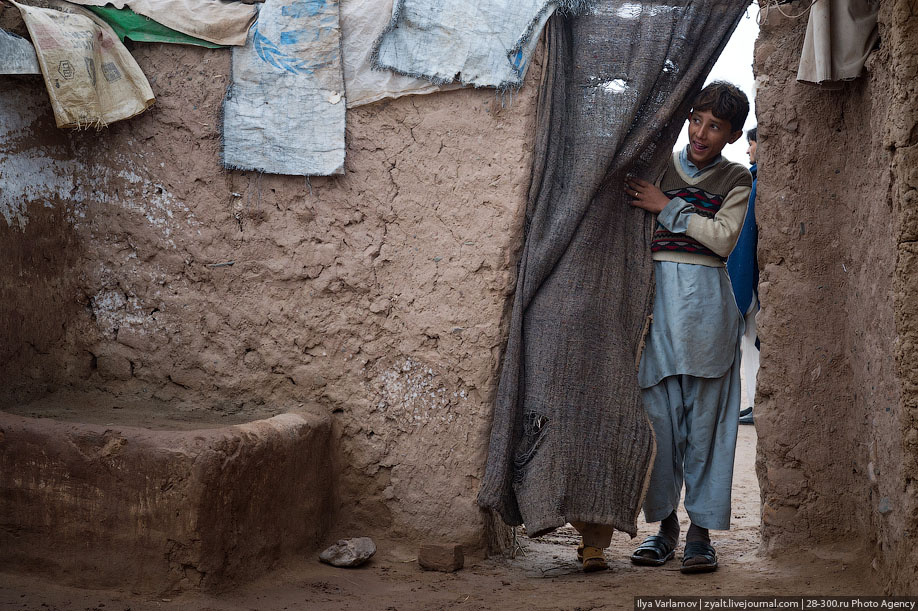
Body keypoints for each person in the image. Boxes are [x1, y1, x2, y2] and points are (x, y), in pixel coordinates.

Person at [624, 81, 752, 574]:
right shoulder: (658, 169)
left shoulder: (737, 179)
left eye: (715, 126)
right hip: (657, 317)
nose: (701, 132)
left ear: (732, 135)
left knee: (708, 430)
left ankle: (700, 535)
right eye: (696, 119)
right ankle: (665, 530)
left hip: (708, 320)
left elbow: (722, 240)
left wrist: (668, 207)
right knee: (660, 429)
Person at [728, 127, 760, 425]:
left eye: (751, 144)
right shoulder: (754, 179)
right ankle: (756, 402)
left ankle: (759, 403)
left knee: (754, 345)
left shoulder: (755, 181)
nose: (748, 150)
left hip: (754, 280)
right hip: (756, 279)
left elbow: (744, 241)